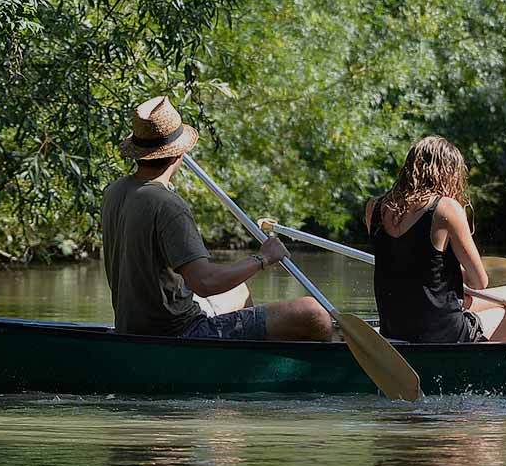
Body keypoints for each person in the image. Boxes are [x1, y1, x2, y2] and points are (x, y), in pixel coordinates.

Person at [102, 96, 334, 340]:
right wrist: (263, 258)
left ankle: (242, 361)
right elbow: (205, 282)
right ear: (179, 154)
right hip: (180, 333)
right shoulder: (168, 204)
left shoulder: (115, 191)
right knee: (314, 313)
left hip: (132, 328)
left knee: (238, 292)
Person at [366, 136, 506, 343]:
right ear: (449, 173)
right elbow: (479, 281)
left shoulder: (374, 207)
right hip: (441, 333)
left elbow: (409, 266)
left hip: (394, 328)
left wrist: (447, 273)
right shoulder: (446, 208)